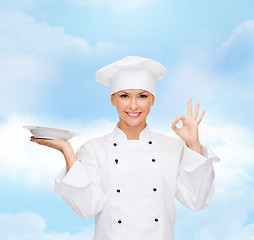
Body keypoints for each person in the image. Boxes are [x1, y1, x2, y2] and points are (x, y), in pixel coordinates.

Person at [30, 56, 220, 240]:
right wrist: (67, 150)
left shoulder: (172, 148)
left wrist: (193, 144)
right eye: (124, 96)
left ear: (153, 100)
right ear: (113, 99)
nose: (133, 105)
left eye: (142, 96)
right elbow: (86, 207)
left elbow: (197, 201)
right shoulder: (94, 149)